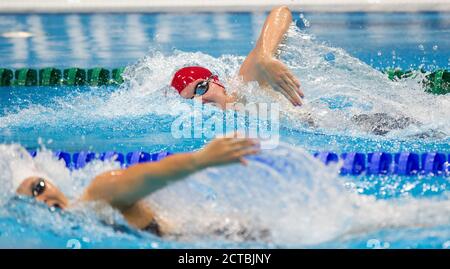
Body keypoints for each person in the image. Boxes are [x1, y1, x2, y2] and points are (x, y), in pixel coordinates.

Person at [15, 135, 260, 236]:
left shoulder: (96, 196)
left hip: (232, 236)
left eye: (38, 187)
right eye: (29, 199)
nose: (40, 199)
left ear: (52, 181)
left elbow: (145, 176)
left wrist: (199, 160)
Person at [170, 6, 304, 109]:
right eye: (192, 100)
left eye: (200, 88)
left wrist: (265, 57)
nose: (201, 100)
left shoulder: (243, 89)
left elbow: (281, 12)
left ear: (216, 82)